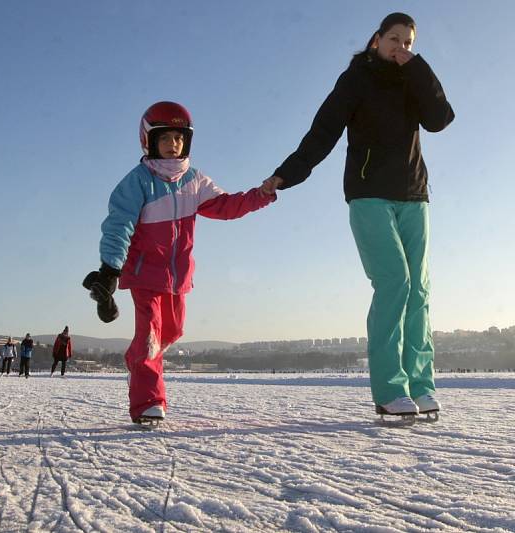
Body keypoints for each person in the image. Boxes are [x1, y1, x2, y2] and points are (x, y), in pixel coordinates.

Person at [261, 13, 454, 418]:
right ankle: (389, 390)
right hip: (368, 196)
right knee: (395, 282)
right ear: (376, 40)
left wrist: (418, 69)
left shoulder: (412, 79)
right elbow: (323, 131)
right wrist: (287, 174)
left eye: (408, 42)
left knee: (419, 291)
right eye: (394, 39)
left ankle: (421, 386)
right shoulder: (356, 80)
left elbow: (440, 119)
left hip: (414, 195)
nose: (400, 47)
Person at [84, 101, 276, 423]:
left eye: (178, 138)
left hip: (178, 277)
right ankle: (148, 402)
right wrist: (110, 269)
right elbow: (119, 226)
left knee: (171, 332)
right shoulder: (138, 181)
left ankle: (134, 360)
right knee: (150, 335)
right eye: (165, 139)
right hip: (145, 272)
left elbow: (226, 206)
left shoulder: (194, 181)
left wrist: (261, 194)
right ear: (149, 140)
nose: (173, 145)